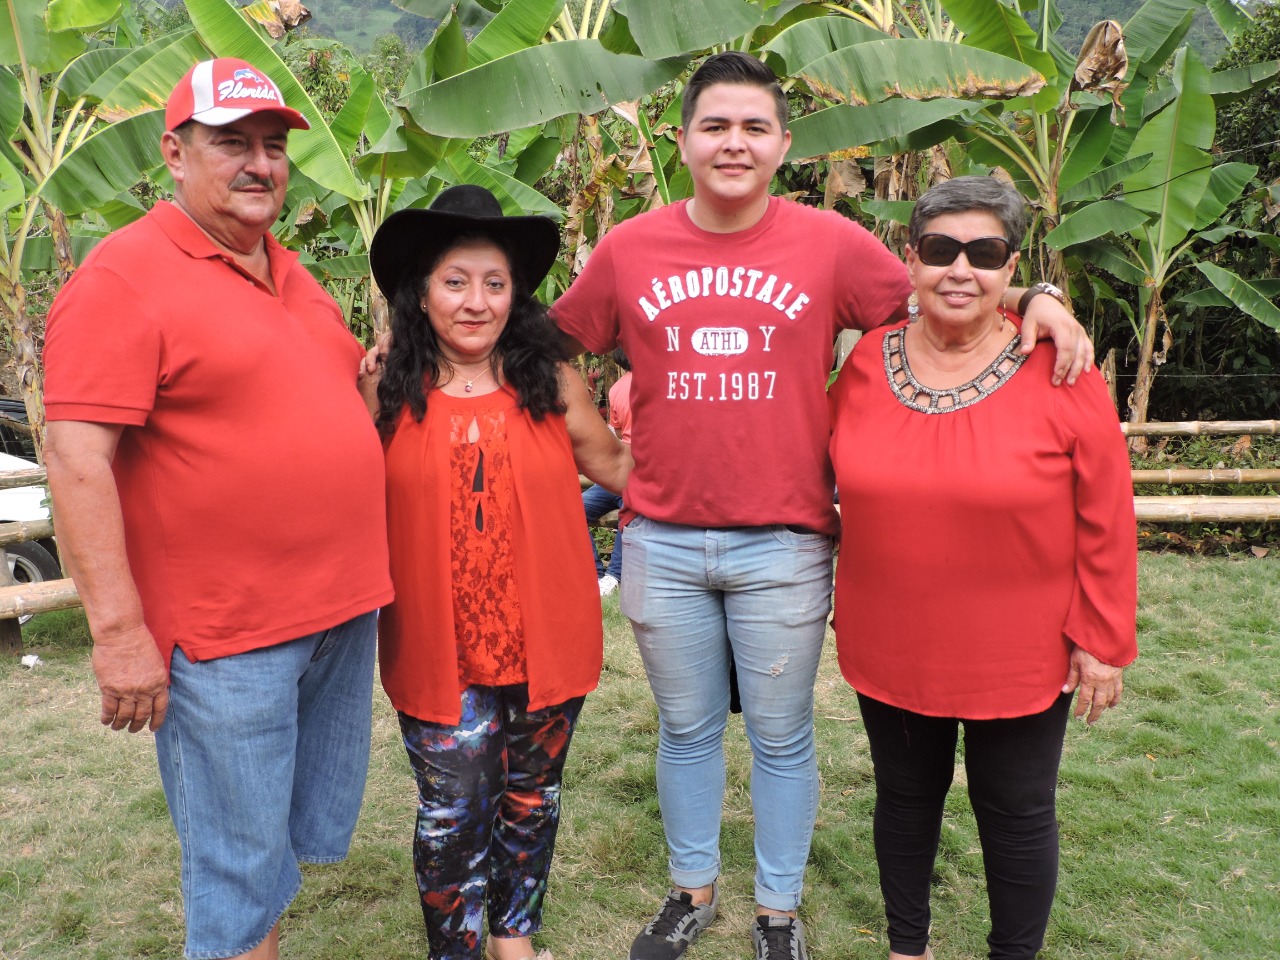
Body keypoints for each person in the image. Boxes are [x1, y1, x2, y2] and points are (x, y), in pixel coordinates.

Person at [550, 51, 1094, 960]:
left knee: (781, 736)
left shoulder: (829, 243)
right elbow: (550, 342)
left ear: (783, 144)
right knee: (683, 732)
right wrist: (605, 455)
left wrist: (1037, 296)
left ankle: (777, 909)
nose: (734, 143)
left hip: (784, 541)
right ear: (682, 139)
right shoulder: (629, 248)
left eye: (754, 127)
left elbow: (944, 292)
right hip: (665, 542)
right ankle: (690, 891)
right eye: (715, 125)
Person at [41, 58, 393, 960]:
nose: (259, 164)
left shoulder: (286, 269)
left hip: (335, 613)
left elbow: (327, 409)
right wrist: (119, 634)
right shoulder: (125, 275)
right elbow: (76, 456)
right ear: (174, 151)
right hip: (228, 632)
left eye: (273, 147)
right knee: (236, 869)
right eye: (231, 143)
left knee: (273, 849)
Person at [829, 176, 1138, 960]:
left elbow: (1106, 511)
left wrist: (1100, 636)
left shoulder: (1059, 366)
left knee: (1017, 808)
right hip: (891, 633)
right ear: (912, 259)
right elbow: (804, 458)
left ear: (1011, 267)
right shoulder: (866, 363)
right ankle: (908, 947)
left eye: (985, 252)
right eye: (940, 250)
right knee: (903, 798)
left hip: (1020, 643)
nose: (960, 269)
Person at [364, 185, 632, 960]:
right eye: (456, 281)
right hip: (435, 646)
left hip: (546, 639)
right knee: (453, 812)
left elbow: (619, 468)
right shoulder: (383, 391)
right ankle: (458, 946)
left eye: (494, 283)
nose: (475, 301)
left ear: (516, 295)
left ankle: (515, 938)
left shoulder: (551, 386)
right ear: (422, 292)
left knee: (529, 800)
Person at [583, 349, 633, 596]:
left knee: (574, 509)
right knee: (630, 514)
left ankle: (600, 575)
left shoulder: (616, 389)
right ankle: (609, 576)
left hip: (621, 473)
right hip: (634, 474)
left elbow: (615, 434)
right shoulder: (663, 383)